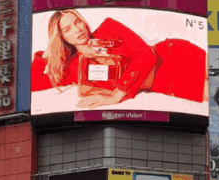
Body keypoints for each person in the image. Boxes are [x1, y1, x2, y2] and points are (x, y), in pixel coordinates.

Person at [31, 9, 208, 107]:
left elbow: (146, 55)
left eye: (77, 21)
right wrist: (43, 57)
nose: (77, 29)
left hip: (173, 55)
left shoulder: (109, 27)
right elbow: (33, 85)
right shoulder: (73, 69)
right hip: (165, 84)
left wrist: (118, 93)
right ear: (61, 37)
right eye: (68, 29)